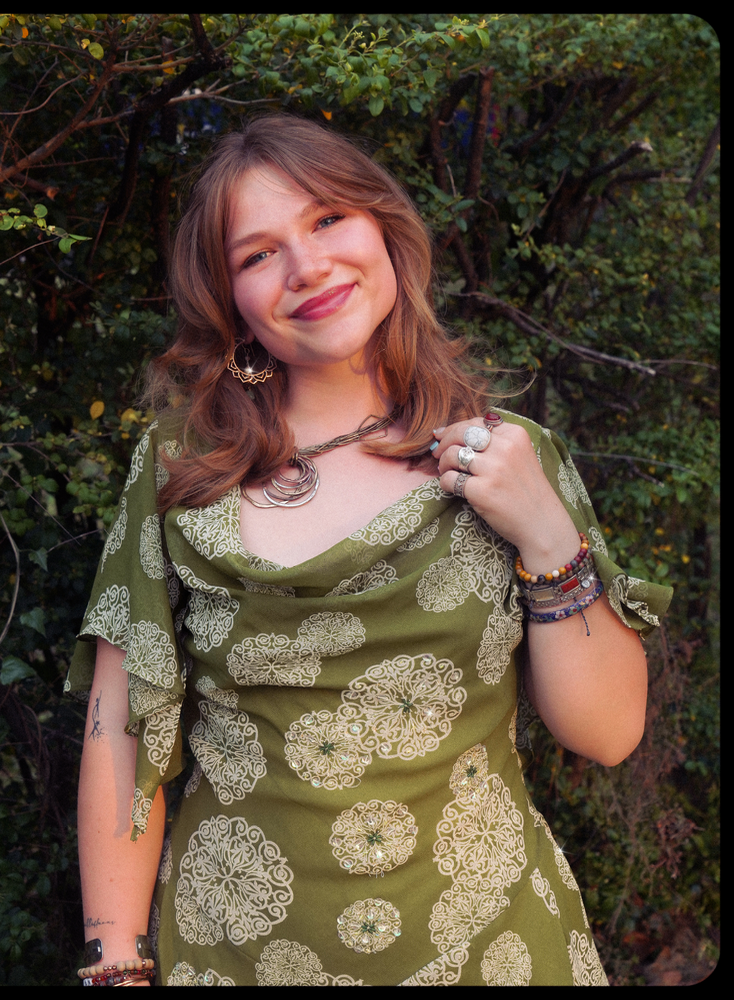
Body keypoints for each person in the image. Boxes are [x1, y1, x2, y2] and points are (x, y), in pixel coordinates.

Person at [66, 114, 672, 986]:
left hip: (492, 950)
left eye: (326, 220)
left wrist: (545, 530)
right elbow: (119, 733)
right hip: (233, 957)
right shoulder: (178, 470)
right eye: (257, 254)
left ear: (384, 229)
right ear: (227, 297)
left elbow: (608, 734)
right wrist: (114, 962)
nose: (307, 268)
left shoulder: (510, 457)